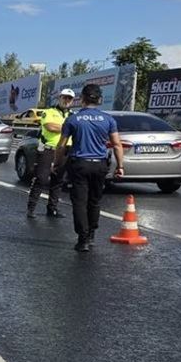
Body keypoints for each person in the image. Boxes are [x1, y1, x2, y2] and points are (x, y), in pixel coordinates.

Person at [53, 83, 124, 252]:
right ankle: (91, 234)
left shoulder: (73, 119)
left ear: (81, 99)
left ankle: (83, 239)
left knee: (79, 202)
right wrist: (120, 166)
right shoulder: (108, 119)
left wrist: (57, 163)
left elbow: (61, 146)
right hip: (99, 165)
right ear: (99, 99)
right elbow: (117, 145)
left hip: (79, 165)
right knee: (94, 201)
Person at [26, 88, 76, 218]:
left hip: (65, 150)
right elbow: (50, 127)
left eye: (69, 98)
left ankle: (52, 209)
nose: (66, 100)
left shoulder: (73, 115)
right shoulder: (48, 112)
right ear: (59, 98)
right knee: (41, 179)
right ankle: (31, 208)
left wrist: (65, 128)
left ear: (72, 101)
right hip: (48, 149)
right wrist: (69, 128)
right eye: (64, 97)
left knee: (58, 180)